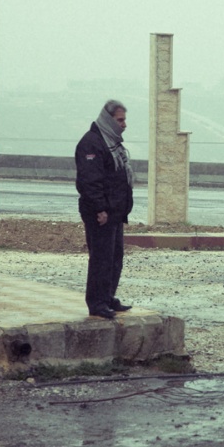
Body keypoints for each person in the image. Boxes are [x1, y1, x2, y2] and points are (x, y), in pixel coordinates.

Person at [75, 100, 135, 320]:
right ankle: (97, 303)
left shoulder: (113, 143)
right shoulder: (92, 144)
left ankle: (108, 297)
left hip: (115, 212)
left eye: (124, 120)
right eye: (120, 120)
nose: (124, 125)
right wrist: (100, 208)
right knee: (101, 259)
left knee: (114, 258)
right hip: (100, 214)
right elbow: (90, 180)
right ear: (109, 120)